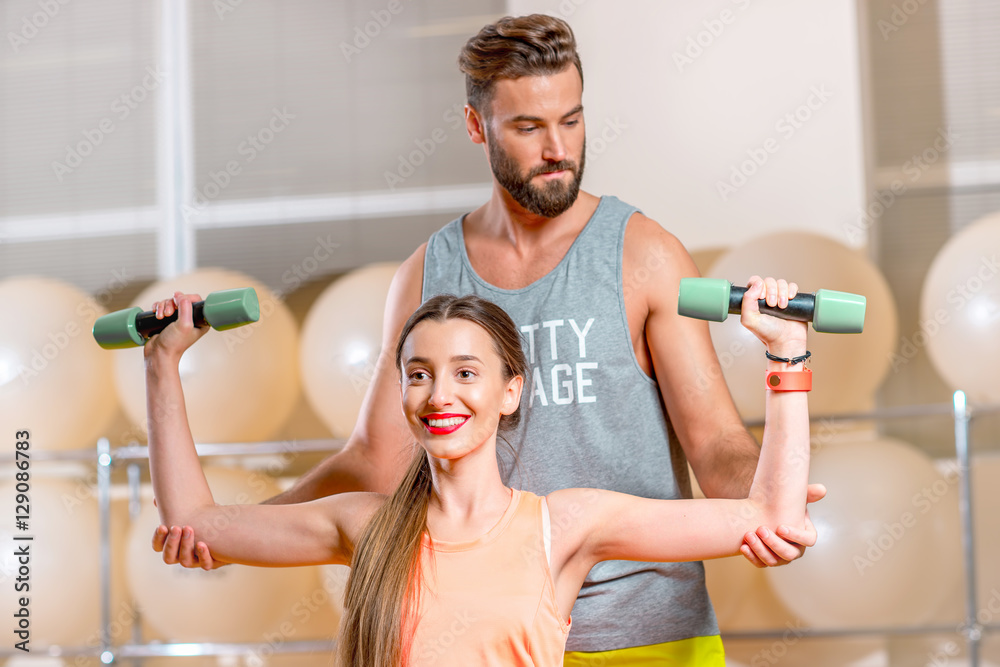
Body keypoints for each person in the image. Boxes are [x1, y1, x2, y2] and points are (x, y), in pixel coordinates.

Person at [152, 14, 825, 664]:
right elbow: (372, 463)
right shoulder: (428, 273)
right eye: (528, 127)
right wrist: (220, 533)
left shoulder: (642, 255)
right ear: (477, 126)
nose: (558, 149)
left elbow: (715, 445)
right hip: (491, 624)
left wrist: (773, 495)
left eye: (571, 119)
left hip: (645, 631)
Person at [146, 284, 813, 667]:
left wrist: (788, 353)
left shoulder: (564, 525)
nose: (441, 395)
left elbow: (771, 516)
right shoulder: (367, 525)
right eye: (419, 374)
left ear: (510, 392)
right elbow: (195, 526)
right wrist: (161, 364)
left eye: (467, 373)